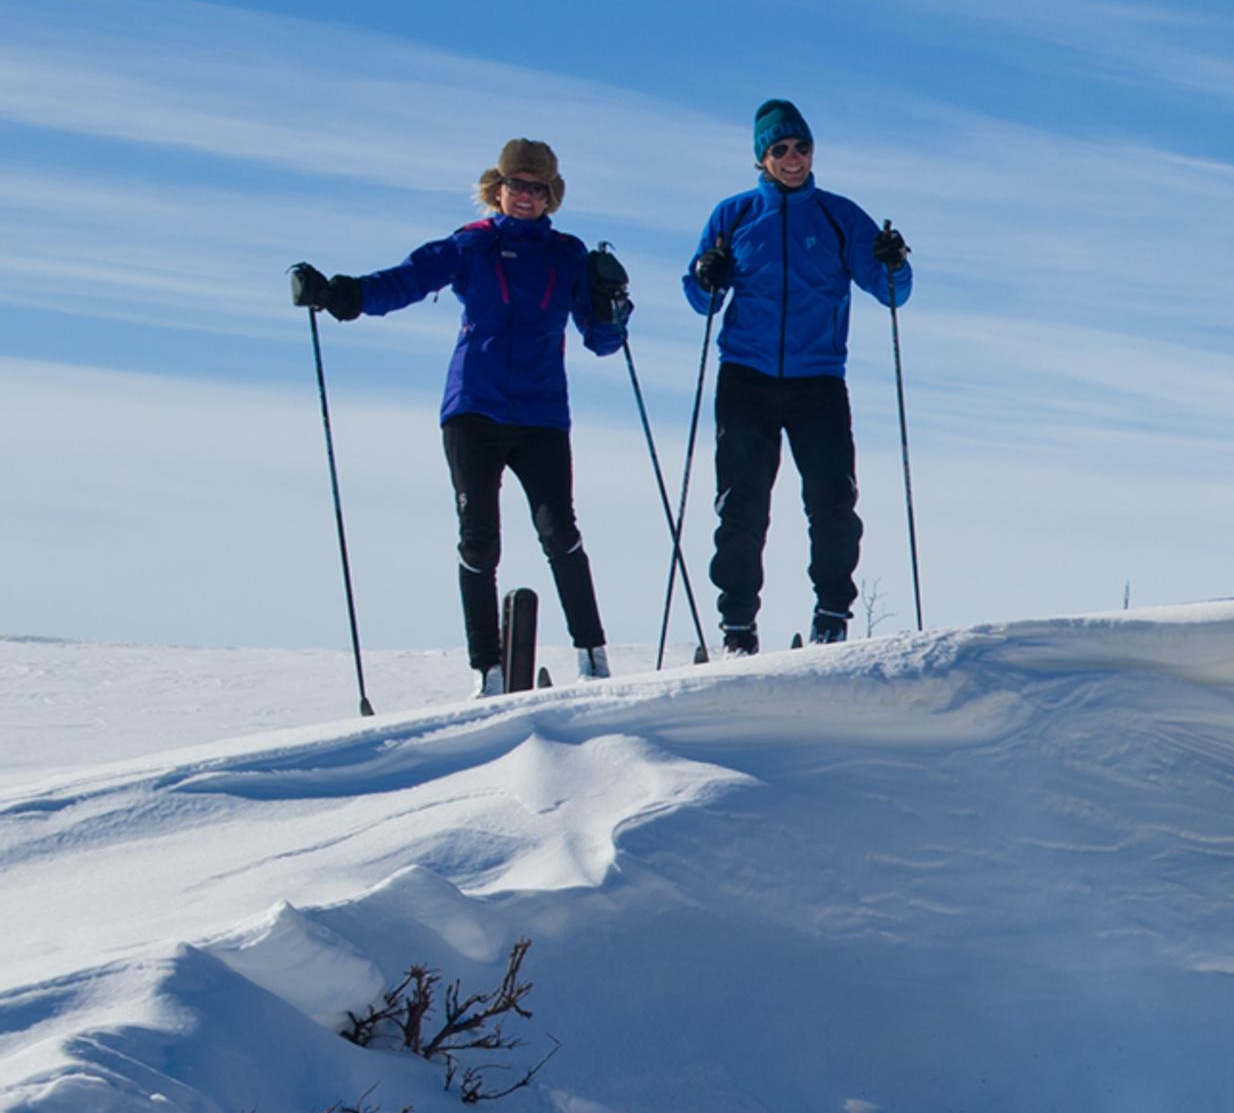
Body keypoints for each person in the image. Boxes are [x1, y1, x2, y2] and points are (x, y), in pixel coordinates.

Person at [289, 138, 627, 696]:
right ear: (497, 190)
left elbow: (601, 340)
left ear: (551, 198)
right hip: (474, 408)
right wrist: (340, 295)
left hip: (542, 415)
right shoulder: (471, 246)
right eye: (516, 185)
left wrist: (614, 303)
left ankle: (594, 661)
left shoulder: (568, 255)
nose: (525, 196)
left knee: (559, 532)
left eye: (537, 189)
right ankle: (487, 673)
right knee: (479, 541)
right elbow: (405, 281)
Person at [681, 99, 909, 653]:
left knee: (832, 501)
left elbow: (892, 293)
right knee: (741, 506)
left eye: (801, 148)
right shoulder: (733, 215)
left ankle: (831, 615)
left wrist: (893, 261)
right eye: (779, 149)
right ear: (761, 157)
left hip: (817, 382)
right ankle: (738, 627)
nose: (792, 158)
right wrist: (705, 276)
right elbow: (700, 299)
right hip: (745, 379)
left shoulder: (838, 216)